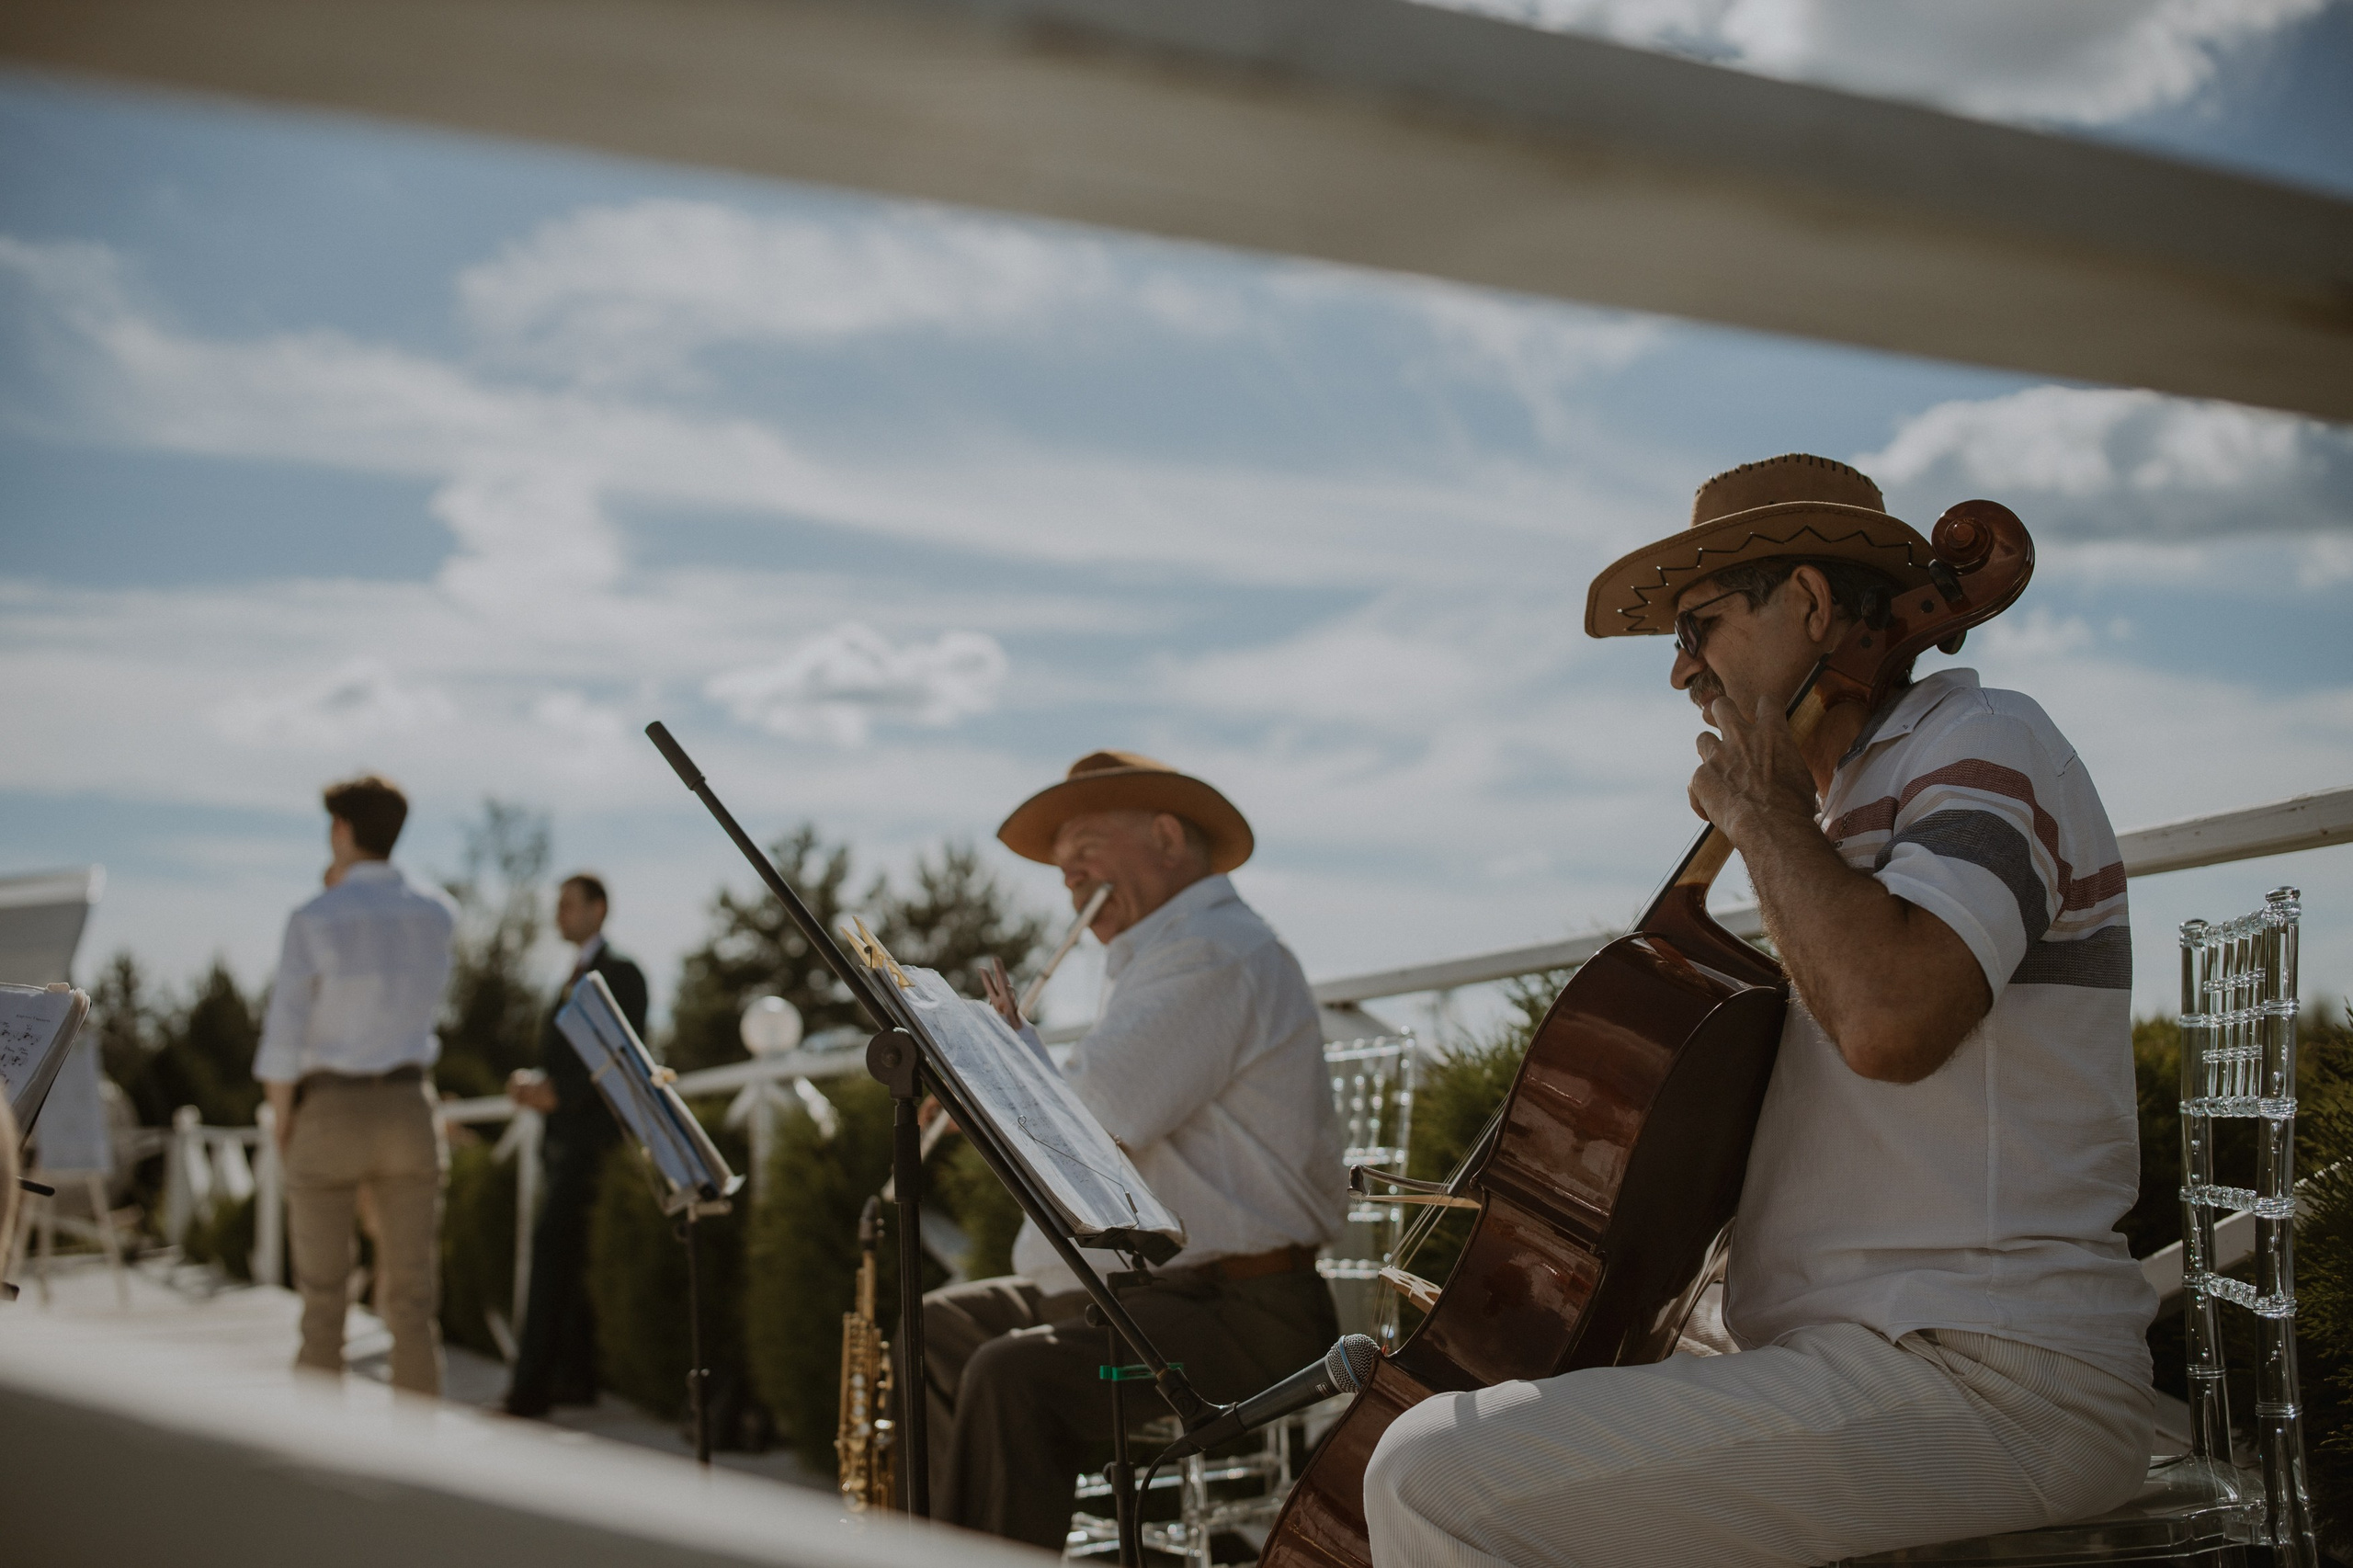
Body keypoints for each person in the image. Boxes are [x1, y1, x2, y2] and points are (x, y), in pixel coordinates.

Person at [1362, 454, 2158, 1567]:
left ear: (1813, 603)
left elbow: (1889, 1020)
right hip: (1856, 1356)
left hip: (1989, 1371)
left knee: (1434, 1476)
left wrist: (1767, 818)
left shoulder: (1982, 742)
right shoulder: (1838, 820)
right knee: (1422, 1434)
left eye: (1701, 624)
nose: (1681, 670)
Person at [924, 750, 1347, 1550]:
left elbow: (1101, 1124)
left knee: (1013, 1377)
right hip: (1147, 1301)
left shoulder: (1215, 949)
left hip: (1239, 1316)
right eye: (1063, 875)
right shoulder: (1158, 958)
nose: (1072, 885)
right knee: (931, 1329)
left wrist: (1001, 1065)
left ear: (1163, 838)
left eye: (1085, 856)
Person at [255, 774, 457, 1396]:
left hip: (330, 1109)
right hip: (407, 1107)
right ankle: (416, 1464)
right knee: (413, 1303)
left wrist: (285, 1123)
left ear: (341, 831)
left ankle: (322, 1473)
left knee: (322, 1303)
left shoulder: (313, 917)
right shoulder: (439, 912)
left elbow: (284, 1039)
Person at [501, 873, 648, 1417]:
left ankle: (528, 1393)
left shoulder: (623, 974)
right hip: (560, 1144)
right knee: (570, 1265)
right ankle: (573, 1380)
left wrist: (557, 1094)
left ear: (598, 910)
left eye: (568, 905)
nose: (558, 914)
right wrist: (535, 1083)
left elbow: (620, 1056)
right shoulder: (565, 978)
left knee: (550, 1257)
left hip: (596, 1146)